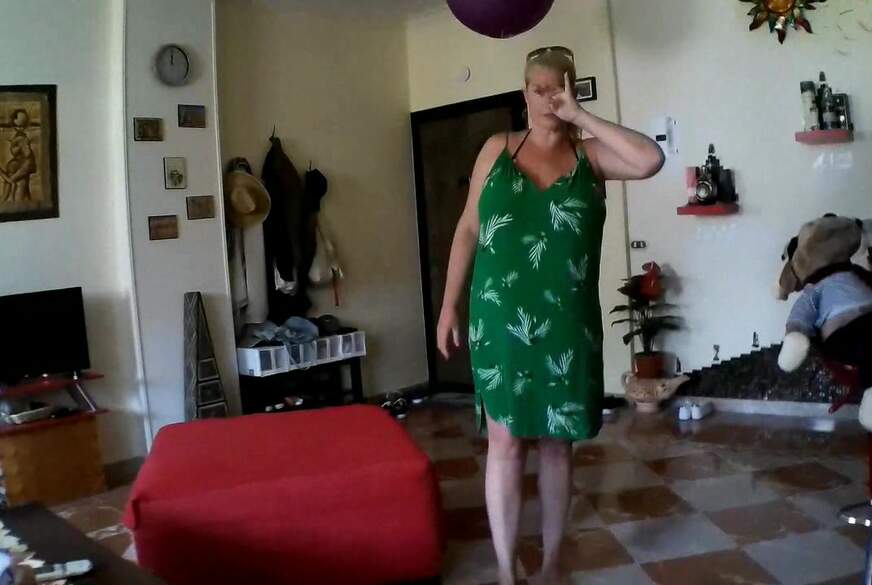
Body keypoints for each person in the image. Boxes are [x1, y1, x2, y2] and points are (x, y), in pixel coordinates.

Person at [436, 46, 663, 585]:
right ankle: (506, 569)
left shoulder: (592, 158)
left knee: (558, 444)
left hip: (566, 324)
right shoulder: (496, 149)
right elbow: (468, 228)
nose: (547, 97)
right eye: (537, 88)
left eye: (557, 87)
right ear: (523, 93)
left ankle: (553, 562)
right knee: (506, 443)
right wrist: (448, 304)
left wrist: (580, 115)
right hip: (499, 320)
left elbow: (650, 160)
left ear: (572, 89)